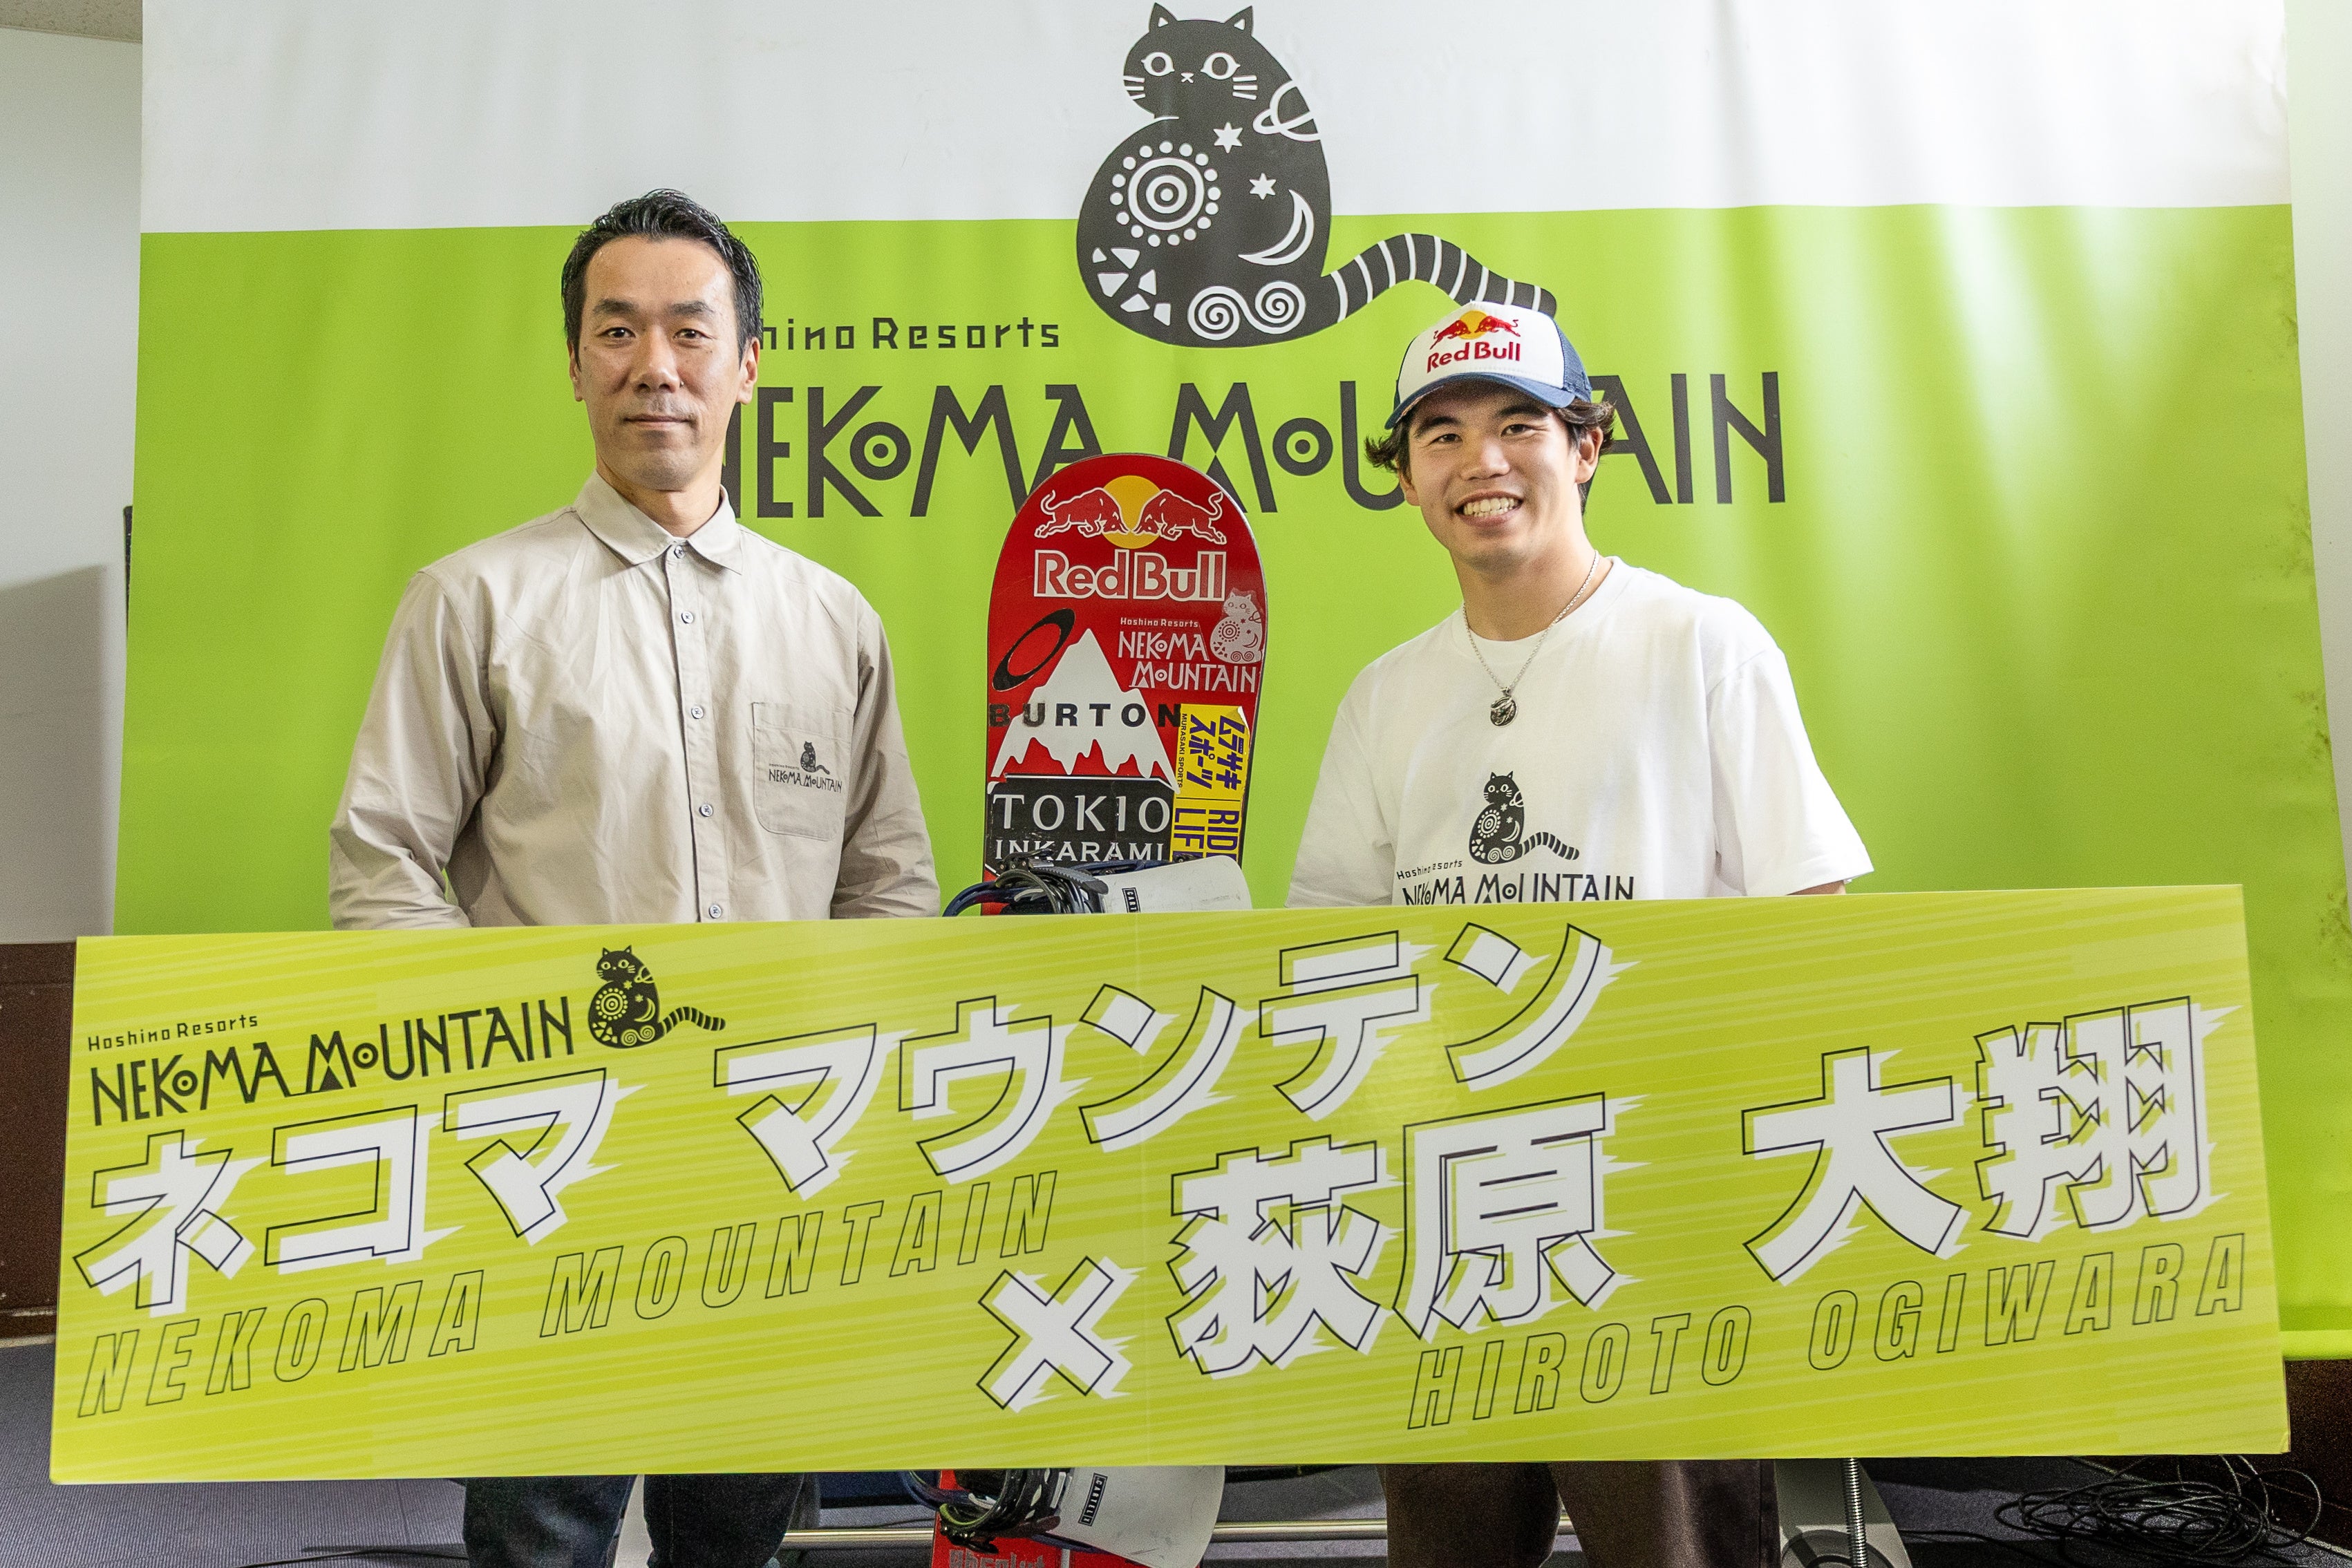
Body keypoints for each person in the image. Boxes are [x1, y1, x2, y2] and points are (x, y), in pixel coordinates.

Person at [330, 189, 937, 1568]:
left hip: (774, 1149)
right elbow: (382, 865)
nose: (653, 365)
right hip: (554, 1162)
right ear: (574, 362)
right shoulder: (474, 601)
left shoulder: (831, 619)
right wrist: (504, 1066)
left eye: (688, 330)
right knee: (542, 1530)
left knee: (736, 1531)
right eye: (616, 331)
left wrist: (842, 1083)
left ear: (747, 363)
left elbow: (890, 881)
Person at [1288, 301, 1872, 1568]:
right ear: (1406, 479)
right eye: (1442, 435)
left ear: (1586, 447)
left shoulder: (1701, 643)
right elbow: (1335, 946)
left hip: (1657, 1205)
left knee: (1674, 1550)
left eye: (1519, 426)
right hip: (1447, 1213)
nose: (1481, 462)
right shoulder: (1388, 695)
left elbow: (1806, 914)